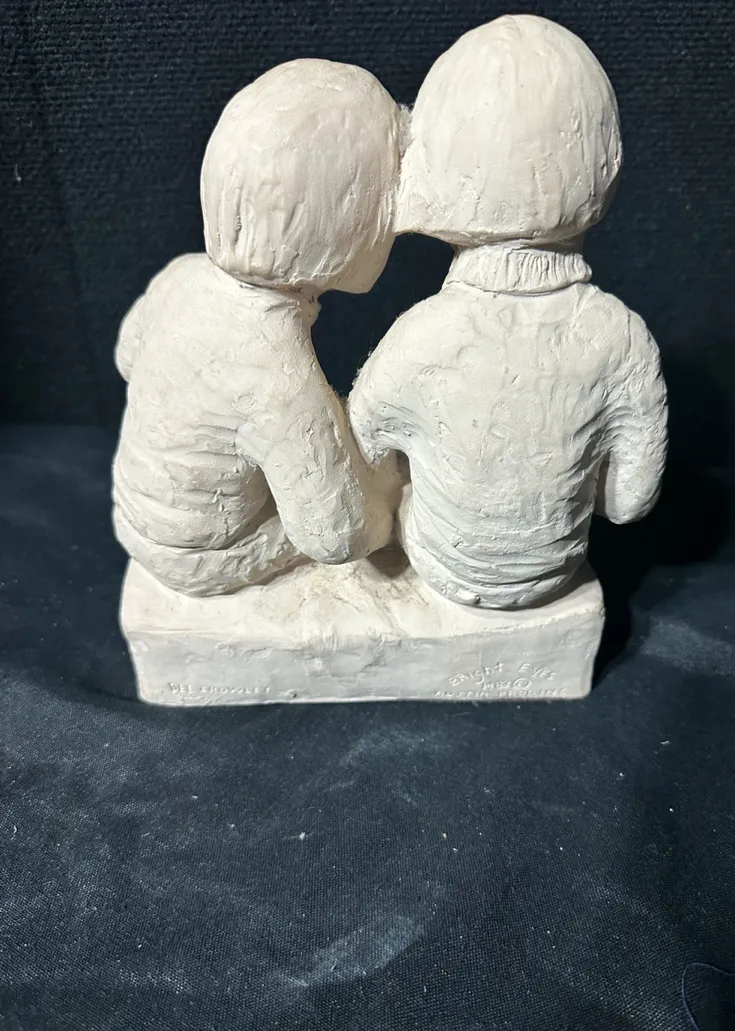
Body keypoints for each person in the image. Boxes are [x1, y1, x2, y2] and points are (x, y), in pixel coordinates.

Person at [349, 14, 668, 609]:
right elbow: (628, 503)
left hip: (442, 567)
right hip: (556, 571)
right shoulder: (622, 339)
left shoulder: (424, 336)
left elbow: (363, 453)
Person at [113, 59, 401, 596]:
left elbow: (127, 357)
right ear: (347, 225)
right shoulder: (278, 377)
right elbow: (335, 536)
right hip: (208, 555)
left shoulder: (179, 277)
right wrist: (386, 496)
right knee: (386, 487)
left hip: (132, 517)